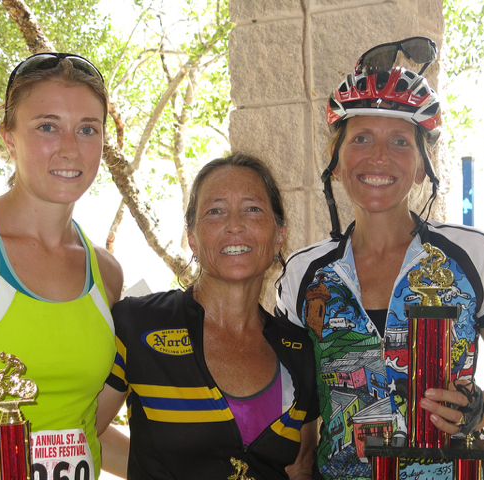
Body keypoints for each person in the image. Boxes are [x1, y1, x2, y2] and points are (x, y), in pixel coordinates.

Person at [275, 37, 484, 479]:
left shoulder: (474, 255)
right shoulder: (303, 275)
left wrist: (482, 407)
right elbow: (297, 411)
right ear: (336, 161)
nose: (379, 156)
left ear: (422, 165)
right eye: (361, 137)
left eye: (400, 142)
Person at [0, 52, 123, 479]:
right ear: (9, 138)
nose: (70, 147)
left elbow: (84, 428)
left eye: (87, 129)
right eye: (47, 126)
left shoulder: (107, 274)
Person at [96, 153, 319, 479]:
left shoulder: (299, 351)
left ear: (279, 235)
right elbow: (84, 432)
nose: (234, 224)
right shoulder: (137, 324)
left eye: (252, 209)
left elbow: (300, 466)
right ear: (192, 239)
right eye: (215, 211)